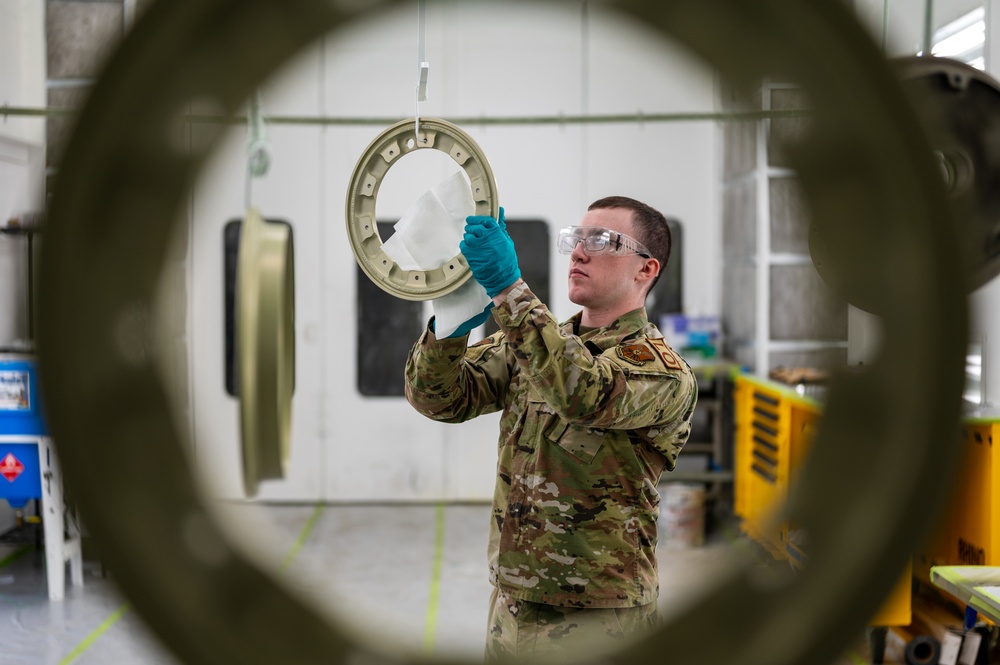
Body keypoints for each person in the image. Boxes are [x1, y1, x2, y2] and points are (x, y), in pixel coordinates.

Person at [404, 196, 698, 663]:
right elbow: (438, 398)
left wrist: (509, 289)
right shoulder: (532, 343)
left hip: (599, 617)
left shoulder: (662, 371)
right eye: (576, 239)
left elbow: (582, 392)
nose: (579, 253)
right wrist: (451, 324)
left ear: (646, 269)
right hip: (513, 607)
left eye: (601, 241)